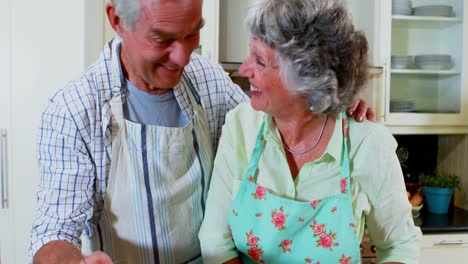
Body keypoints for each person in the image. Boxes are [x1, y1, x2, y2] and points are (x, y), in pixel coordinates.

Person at [29, 0, 372, 263]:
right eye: (162, 39)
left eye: (192, 33)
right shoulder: (74, 111)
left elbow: (273, 129)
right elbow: (54, 231)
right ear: (117, 20)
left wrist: (332, 106)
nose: (181, 57)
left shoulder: (207, 79)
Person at [198, 0, 422, 263]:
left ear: (306, 76)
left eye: (259, 60)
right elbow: (215, 242)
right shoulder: (242, 124)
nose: (244, 69)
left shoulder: (367, 144)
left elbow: (400, 246)